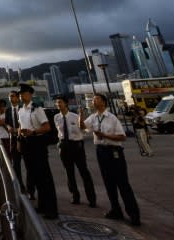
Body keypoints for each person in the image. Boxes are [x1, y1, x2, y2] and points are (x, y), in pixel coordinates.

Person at [79, 93, 141, 227]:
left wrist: (105, 135)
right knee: (108, 183)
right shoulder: (93, 117)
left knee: (122, 183)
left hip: (114, 152)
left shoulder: (112, 118)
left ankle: (133, 214)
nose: (94, 101)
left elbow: (122, 137)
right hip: (101, 152)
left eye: (97, 99)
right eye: (94, 100)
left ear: (104, 103)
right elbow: (83, 127)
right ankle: (115, 209)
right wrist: (80, 115)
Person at [17, 83, 59, 220]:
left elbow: (47, 127)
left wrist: (33, 132)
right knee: (34, 176)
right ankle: (42, 205)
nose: (21, 95)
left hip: (37, 144)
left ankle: (51, 209)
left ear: (30, 94)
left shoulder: (37, 109)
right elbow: (20, 126)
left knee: (44, 178)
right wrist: (19, 140)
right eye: (20, 93)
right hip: (26, 144)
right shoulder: (21, 110)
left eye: (23, 93)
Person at [54, 95, 96, 207]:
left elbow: (83, 130)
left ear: (66, 104)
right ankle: (74, 195)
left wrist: (81, 117)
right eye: (57, 103)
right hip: (64, 146)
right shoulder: (56, 117)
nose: (58, 104)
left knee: (84, 172)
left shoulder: (74, 116)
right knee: (69, 172)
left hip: (76, 146)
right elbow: (59, 133)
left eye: (60, 102)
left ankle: (91, 198)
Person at [4, 90, 31, 197]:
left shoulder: (23, 109)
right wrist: (9, 127)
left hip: (24, 140)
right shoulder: (8, 110)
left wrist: (18, 131)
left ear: (18, 98)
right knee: (16, 165)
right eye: (10, 96)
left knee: (28, 165)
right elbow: (6, 123)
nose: (11, 98)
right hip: (13, 141)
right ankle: (20, 187)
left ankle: (30, 189)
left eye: (13, 96)